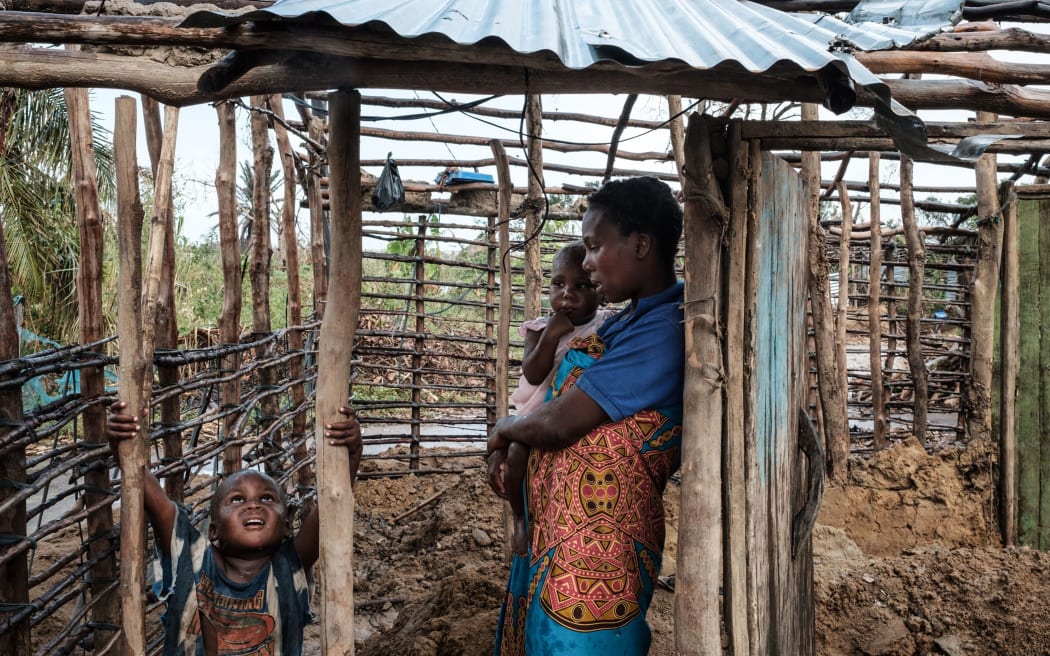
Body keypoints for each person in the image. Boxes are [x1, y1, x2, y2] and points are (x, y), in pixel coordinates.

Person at [487, 176, 685, 656]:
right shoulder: (626, 322)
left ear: (640, 245)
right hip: (561, 542)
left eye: (595, 247)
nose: (587, 261)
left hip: (597, 555)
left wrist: (503, 430)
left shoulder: (665, 329)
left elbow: (559, 422)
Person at [105, 401, 363, 656]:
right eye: (237, 500)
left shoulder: (289, 567)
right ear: (214, 531)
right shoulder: (192, 562)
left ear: (286, 527)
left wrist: (351, 456)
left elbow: (332, 504)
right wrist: (123, 443)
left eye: (267, 498)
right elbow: (149, 493)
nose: (254, 506)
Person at [501, 240, 613, 556]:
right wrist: (552, 334)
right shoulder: (539, 328)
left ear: (599, 291)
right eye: (558, 284)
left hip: (573, 410)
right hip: (539, 408)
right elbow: (533, 373)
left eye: (581, 285)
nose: (567, 293)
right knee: (516, 455)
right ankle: (520, 519)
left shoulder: (605, 325)